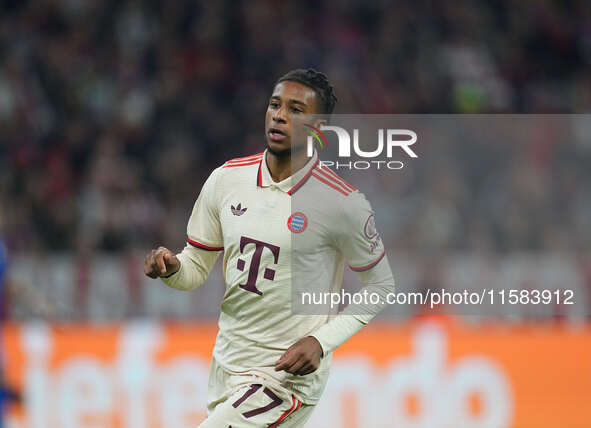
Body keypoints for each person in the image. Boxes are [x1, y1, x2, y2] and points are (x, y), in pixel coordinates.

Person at [144, 68, 395, 427]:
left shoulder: (342, 203)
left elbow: (381, 286)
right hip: (228, 365)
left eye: (296, 109)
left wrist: (321, 342)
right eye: (275, 104)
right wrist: (172, 269)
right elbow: (196, 266)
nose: (279, 115)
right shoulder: (227, 179)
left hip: (285, 379)